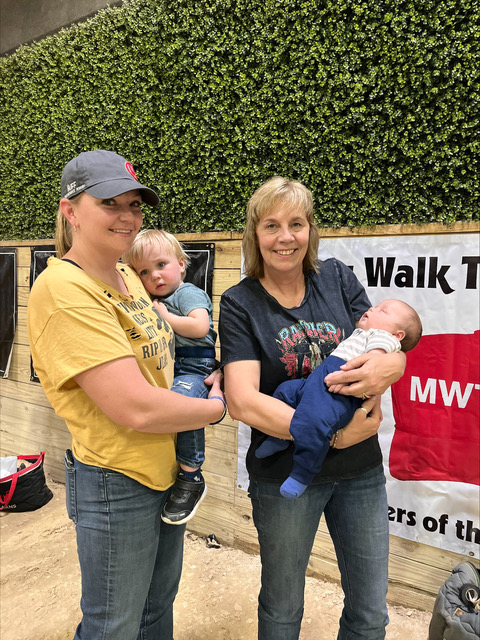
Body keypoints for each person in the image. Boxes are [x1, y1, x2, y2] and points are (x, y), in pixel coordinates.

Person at [27, 149, 226, 640]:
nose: (127, 216)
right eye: (109, 203)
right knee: (113, 625)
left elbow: (167, 363)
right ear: (70, 211)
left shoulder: (131, 279)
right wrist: (219, 407)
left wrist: (212, 373)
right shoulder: (63, 289)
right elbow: (134, 406)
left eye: (134, 205)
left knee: (156, 610)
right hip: (116, 478)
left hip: (165, 471)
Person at [219, 176, 407, 640]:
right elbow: (243, 400)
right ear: (255, 234)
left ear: (310, 230)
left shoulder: (337, 278)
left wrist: (396, 364)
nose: (285, 237)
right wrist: (331, 436)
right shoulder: (240, 302)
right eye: (271, 225)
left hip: (360, 471)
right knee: (282, 609)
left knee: (370, 613)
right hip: (284, 475)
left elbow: (384, 345)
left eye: (296, 224)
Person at [256, 299, 422, 498]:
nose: (372, 308)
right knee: (285, 391)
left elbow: (375, 361)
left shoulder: (383, 338)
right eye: (376, 306)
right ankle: (278, 437)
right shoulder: (362, 333)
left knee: (313, 424)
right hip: (317, 381)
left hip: (338, 392)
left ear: (398, 335)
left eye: (383, 311)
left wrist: (377, 361)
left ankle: (302, 474)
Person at [123, 229, 217, 525]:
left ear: (181, 264)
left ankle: (191, 475)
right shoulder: (152, 299)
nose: (154, 276)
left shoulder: (187, 293)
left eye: (161, 265)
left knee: (182, 406)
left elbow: (200, 327)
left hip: (195, 365)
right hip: (174, 366)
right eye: (144, 272)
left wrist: (165, 316)